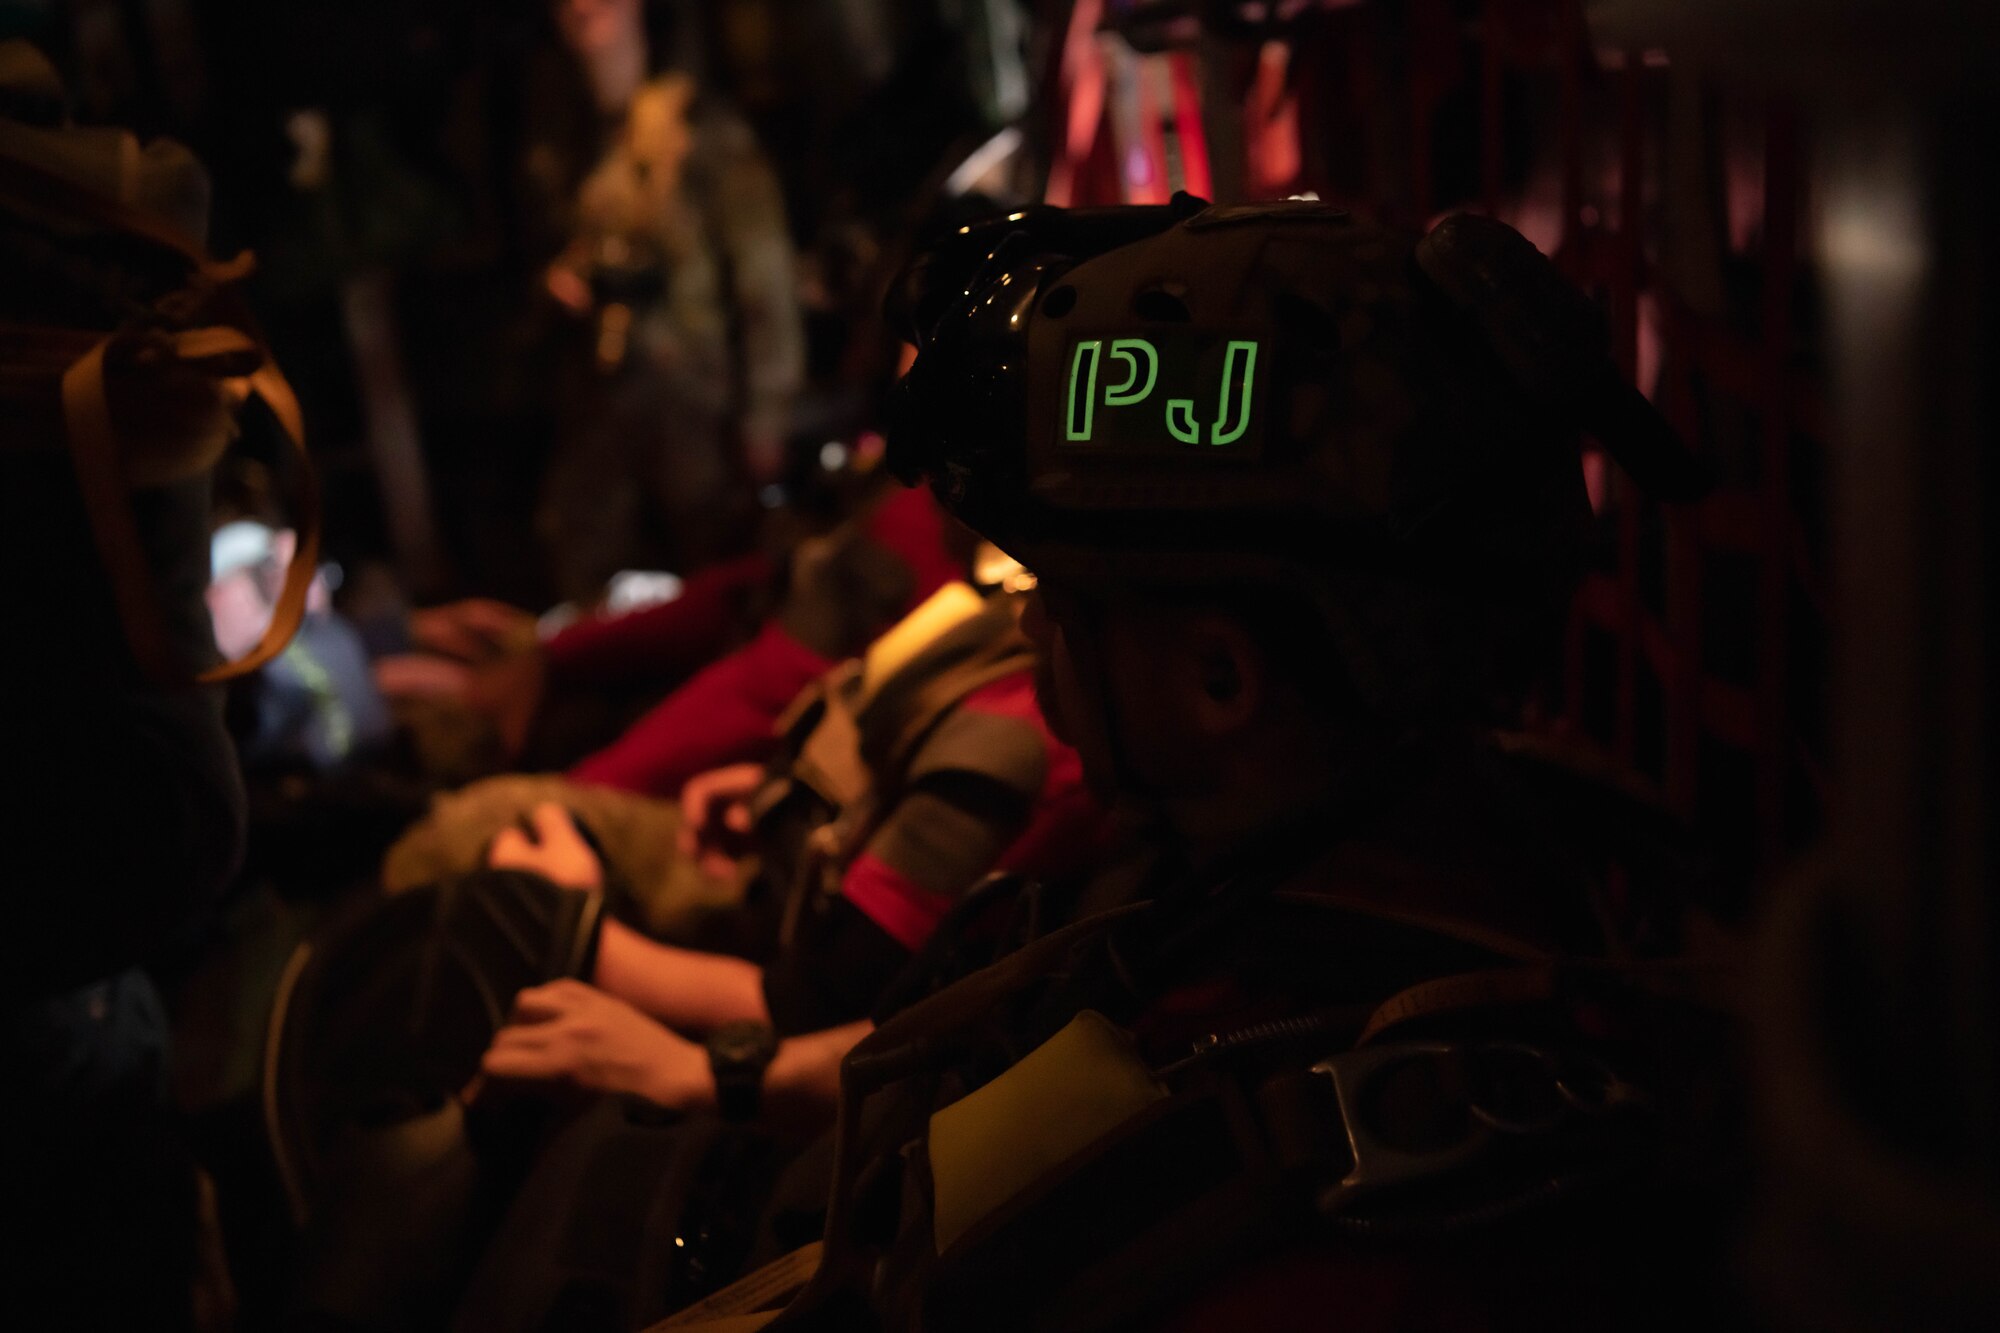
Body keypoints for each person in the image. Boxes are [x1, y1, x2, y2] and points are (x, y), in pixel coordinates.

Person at [663, 196, 1741, 1331]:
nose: (1030, 635)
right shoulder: (1409, 851)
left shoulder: (1345, 1208)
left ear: (1217, 680)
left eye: (1065, 602)